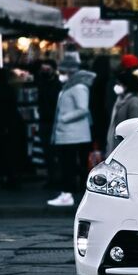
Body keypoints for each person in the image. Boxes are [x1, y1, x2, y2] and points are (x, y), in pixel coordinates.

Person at [47, 53, 95, 207]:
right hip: (69, 133)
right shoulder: (71, 86)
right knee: (69, 165)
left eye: (62, 72)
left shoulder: (79, 87)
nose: (59, 75)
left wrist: (64, 118)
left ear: (69, 72)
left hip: (73, 134)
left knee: (69, 165)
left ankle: (68, 194)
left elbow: (83, 109)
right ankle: (69, 193)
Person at [0, 67, 25, 190]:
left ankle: (10, 178)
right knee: (11, 153)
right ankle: (13, 177)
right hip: (11, 125)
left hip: (3, 126)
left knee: (6, 153)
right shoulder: (9, 89)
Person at [106, 70, 138, 155]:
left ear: (126, 85)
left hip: (128, 147)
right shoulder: (122, 100)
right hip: (121, 143)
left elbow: (136, 126)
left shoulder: (134, 102)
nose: (116, 86)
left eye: (119, 84)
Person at [36, 59, 62, 189]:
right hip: (45, 120)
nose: (45, 71)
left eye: (47, 69)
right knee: (48, 152)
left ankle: (55, 178)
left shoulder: (57, 85)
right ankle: (52, 177)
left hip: (52, 121)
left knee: (53, 152)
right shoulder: (43, 83)